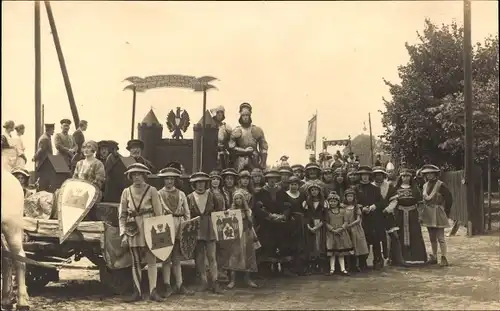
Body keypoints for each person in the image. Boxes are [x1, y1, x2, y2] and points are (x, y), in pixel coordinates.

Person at [118, 163, 164, 302]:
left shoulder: (152, 190)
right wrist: (123, 233)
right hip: (133, 228)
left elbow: (159, 213)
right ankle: (136, 291)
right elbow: (122, 214)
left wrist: (159, 233)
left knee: (151, 260)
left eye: (139, 174)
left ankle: (153, 291)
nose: (136, 177)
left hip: (149, 225)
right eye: (134, 174)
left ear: (144, 175)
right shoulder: (126, 191)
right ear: (130, 176)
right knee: (136, 261)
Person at [157, 166, 194, 297]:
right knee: (166, 257)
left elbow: (187, 213)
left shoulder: (181, 194)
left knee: (177, 258)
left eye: (172, 179)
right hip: (165, 225)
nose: (169, 181)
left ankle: (179, 284)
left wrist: (185, 227)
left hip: (179, 225)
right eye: (167, 179)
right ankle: (167, 285)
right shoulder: (158, 194)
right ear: (163, 180)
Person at [186, 172, 224, 294]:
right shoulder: (190, 197)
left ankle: (215, 281)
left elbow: (218, 211)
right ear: (194, 184)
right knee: (200, 256)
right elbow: (188, 214)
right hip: (196, 227)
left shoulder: (212, 195)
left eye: (202, 182)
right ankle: (203, 281)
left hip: (209, 227)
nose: (200, 185)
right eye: (197, 182)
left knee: (212, 256)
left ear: (206, 183)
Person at [391, 168, 427, 264]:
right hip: (400, 214)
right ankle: (399, 258)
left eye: (407, 176)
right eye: (403, 176)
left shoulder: (415, 189)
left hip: (412, 214)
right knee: (399, 234)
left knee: (414, 233)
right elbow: (392, 202)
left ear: (410, 177)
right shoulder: (395, 189)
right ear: (400, 177)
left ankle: (416, 257)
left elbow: (420, 203)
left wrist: (420, 215)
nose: (405, 178)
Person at [419, 164, 453, 266]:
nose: (429, 175)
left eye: (431, 173)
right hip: (428, 212)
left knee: (440, 237)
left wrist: (446, 211)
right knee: (431, 236)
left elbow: (449, 198)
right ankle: (434, 256)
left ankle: (444, 257)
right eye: (427, 173)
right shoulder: (424, 185)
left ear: (435, 174)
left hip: (437, 211)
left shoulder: (441, 185)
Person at [372, 166, 405, 267]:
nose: (379, 177)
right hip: (375, 216)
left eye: (380, 175)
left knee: (394, 236)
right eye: (376, 175)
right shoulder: (371, 186)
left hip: (387, 214)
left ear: (384, 175)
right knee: (376, 239)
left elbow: (394, 200)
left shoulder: (389, 186)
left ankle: (397, 259)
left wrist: (388, 209)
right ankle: (378, 259)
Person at [225, 190, 259, 289]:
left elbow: (251, 224)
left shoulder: (248, 211)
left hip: (246, 234)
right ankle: (232, 280)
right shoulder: (231, 211)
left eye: (240, 198)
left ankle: (248, 279)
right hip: (236, 236)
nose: (238, 200)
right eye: (236, 199)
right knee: (234, 256)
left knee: (248, 255)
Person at [355, 165, 385, 270]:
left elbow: (382, 202)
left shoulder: (375, 189)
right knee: (363, 240)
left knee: (376, 240)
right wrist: (361, 208)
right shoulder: (355, 188)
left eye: (367, 175)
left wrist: (373, 206)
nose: (365, 177)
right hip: (361, 218)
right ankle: (362, 262)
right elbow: (352, 202)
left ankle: (378, 260)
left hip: (374, 217)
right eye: (363, 175)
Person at [228, 102, 268, 171]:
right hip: (240, 161)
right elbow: (231, 147)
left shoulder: (257, 130)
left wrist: (263, 161)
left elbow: (263, 147)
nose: (245, 117)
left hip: (254, 159)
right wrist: (244, 151)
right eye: (243, 115)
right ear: (241, 116)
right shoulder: (236, 131)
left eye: (247, 115)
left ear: (250, 115)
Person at [324, 192, 353, 276]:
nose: (333, 203)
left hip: (341, 234)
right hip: (331, 234)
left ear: (338, 202)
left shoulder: (342, 211)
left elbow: (346, 221)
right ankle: (332, 269)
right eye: (331, 201)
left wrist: (341, 228)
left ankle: (343, 269)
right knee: (332, 252)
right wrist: (332, 229)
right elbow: (326, 222)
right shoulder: (328, 212)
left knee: (341, 253)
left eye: (334, 201)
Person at [302, 181, 327, 274]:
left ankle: (321, 266)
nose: (314, 192)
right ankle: (311, 266)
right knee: (311, 245)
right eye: (312, 190)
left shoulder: (324, 202)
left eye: (316, 190)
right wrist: (309, 226)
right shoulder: (306, 203)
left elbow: (325, 217)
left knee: (320, 244)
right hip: (310, 225)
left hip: (320, 225)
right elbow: (306, 216)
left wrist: (318, 226)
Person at [343, 188, 369, 273]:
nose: (349, 198)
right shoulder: (343, 207)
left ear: (354, 197)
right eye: (348, 196)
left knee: (356, 246)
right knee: (347, 247)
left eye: (351, 196)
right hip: (346, 229)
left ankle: (357, 265)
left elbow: (358, 219)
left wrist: (350, 225)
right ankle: (348, 265)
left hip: (355, 228)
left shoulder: (356, 207)